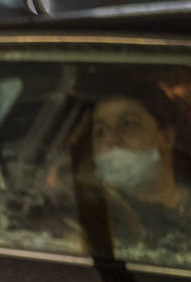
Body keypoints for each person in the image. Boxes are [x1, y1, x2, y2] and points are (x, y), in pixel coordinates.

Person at [81, 74, 191, 251]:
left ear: (167, 138)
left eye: (128, 124)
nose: (112, 139)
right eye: (100, 131)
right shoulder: (91, 217)